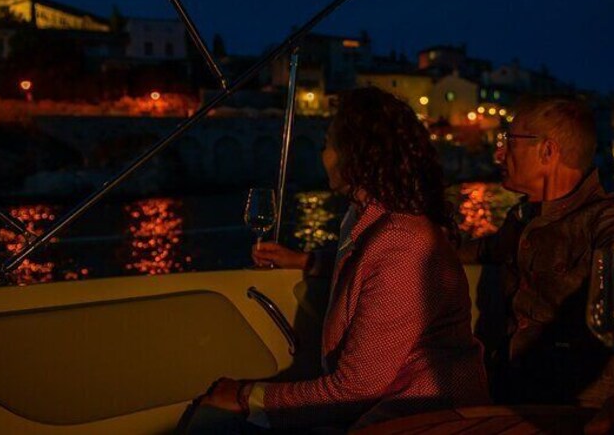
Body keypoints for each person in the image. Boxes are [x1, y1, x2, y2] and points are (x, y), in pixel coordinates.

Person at [193, 87, 489, 432]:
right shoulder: (376, 220)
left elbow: (358, 389)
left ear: (356, 154)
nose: (323, 154)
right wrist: (305, 261)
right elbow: (367, 270)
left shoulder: (403, 241)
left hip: (417, 418)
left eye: (328, 143)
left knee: (214, 422)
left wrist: (248, 396)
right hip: (385, 409)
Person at [458, 95, 614, 434]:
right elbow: (484, 250)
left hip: (580, 414)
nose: (499, 154)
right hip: (504, 399)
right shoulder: (521, 218)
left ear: (547, 151)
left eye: (509, 142)